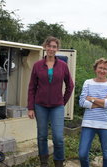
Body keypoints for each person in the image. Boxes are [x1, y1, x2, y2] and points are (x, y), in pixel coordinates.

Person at [27, 36, 74, 167]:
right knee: (42, 135)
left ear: (57, 49)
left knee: (58, 138)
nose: (51, 49)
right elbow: (31, 87)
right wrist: (31, 107)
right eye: (49, 46)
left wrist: (62, 102)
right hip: (40, 105)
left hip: (57, 106)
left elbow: (70, 85)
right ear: (45, 47)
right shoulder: (37, 65)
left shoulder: (63, 66)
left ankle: (59, 162)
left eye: (54, 47)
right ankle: (44, 162)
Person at [78, 58, 107, 167]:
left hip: (106, 124)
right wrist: (103, 101)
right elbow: (82, 102)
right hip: (88, 123)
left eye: (105, 69)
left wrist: (91, 99)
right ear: (95, 69)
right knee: (82, 154)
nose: (102, 70)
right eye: (100, 67)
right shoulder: (88, 82)